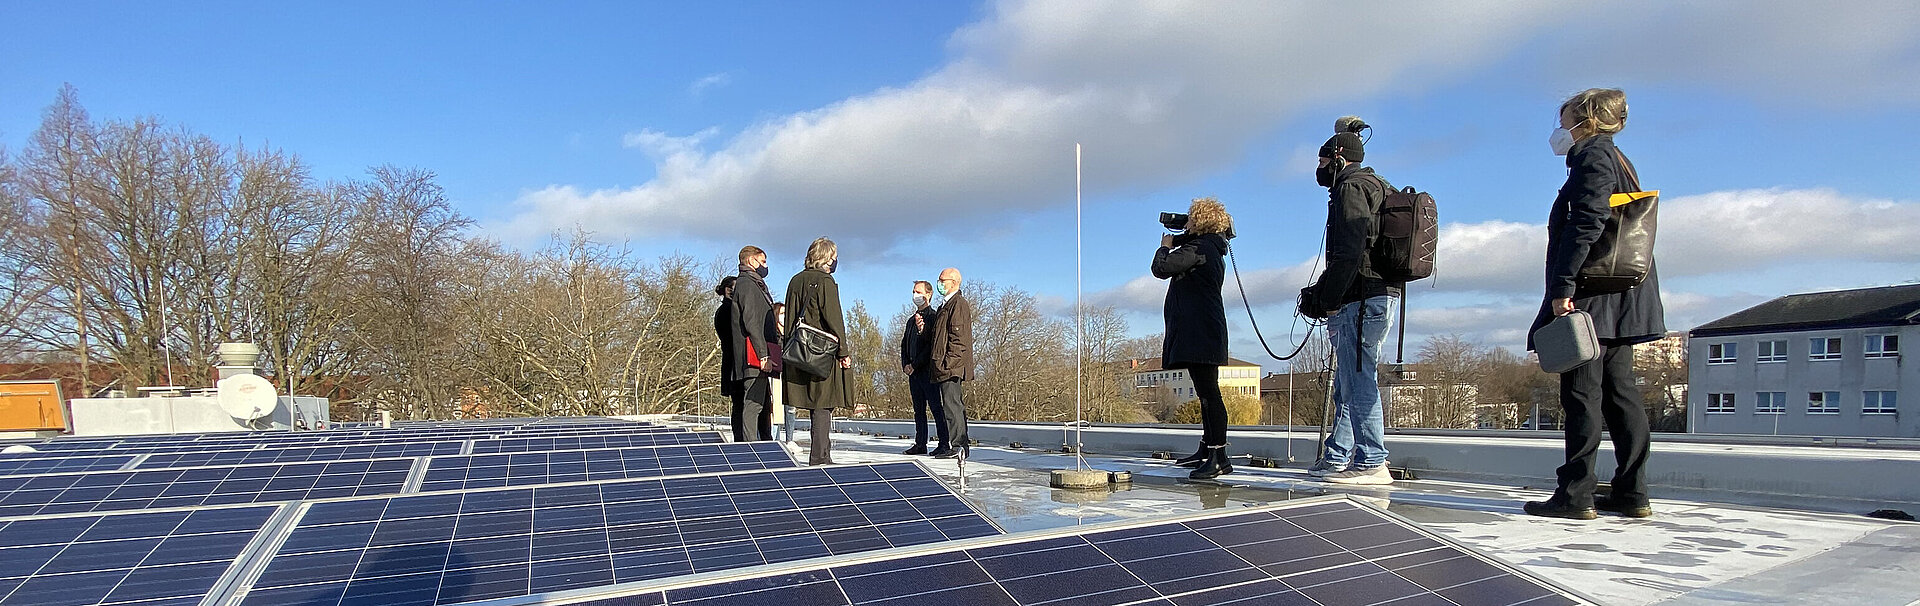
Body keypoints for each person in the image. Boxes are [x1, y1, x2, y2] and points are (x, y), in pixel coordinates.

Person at [1525, 88, 1664, 520]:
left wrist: (1563, 287)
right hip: (1624, 296)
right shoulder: (1619, 159)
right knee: (1621, 393)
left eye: (1565, 121)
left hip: (1593, 295)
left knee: (1582, 393)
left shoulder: (1594, 158)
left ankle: (1576, 494)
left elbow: (1587, 221)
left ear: (1586, 122)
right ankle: (1632, 492)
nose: (1560, 130)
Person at [1299, 115, 1401, 486]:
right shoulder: (1380, 185)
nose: (1320, 170)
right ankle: (1339, 455)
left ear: (1338, 159)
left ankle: (1372, 460)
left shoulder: (1351, 189)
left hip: (1361, 298)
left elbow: (1349, 252)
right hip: (1379, 294)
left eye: (1323, 163)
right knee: (1348, 379)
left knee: (1358, 379)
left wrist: (1327, 298)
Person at [1153, 197, 1234, 480]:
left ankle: (1218, 455)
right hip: (1203, 329)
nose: (1185, 222)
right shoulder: (1209, 247)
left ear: (1199, 221)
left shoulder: (1199, 248)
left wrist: (1164, 246)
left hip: (1201, 331)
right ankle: (1207, 449)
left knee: (1210, 395)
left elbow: (1161, 268)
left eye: (1190, 218)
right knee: (1205, 393)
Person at [783, 237, 853, 465]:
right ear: (826, 258)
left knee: (813, 402)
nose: (835, 262)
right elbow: (834, 318)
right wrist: (843, 351)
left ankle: (821, 454)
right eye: (833, 257)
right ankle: (820, 456)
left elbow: (792, 316)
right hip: (822, 351)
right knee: (823, 403)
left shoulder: (795, 281)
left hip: (798, 349)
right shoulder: (826, 282)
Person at [729, 246, 777, 442]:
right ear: (751, 261)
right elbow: (751, 321)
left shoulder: (753, 284)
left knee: (763, 404)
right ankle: (751, 448)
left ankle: (762, 444)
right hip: (753, 358)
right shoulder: (747, 285)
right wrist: (763, 354)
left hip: (757, 355)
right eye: (762, 261)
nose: (765, 266)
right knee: (753, 403)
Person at [927, 267, 973, 460]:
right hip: (942, 367)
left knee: (953, 406)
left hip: (950, 367)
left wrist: (947, 363)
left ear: (954, 282)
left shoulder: (958, 304)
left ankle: (959, 445)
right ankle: (950, 444)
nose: (939, 283)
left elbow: (958, 339)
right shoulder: (945, 306)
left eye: (942, 280)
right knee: (948, 407)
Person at [900, 280, 947, 455]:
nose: (915, 295)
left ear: (928, 294)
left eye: (918, 292)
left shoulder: (933, 317)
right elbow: (904, 344)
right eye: (913, 291)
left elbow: (931, 346)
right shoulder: (911, 321)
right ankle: (920, 443)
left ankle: (944, 442)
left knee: (936, 407)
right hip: (913, 373)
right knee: (918, 410)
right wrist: (905, 364)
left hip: (927, 371)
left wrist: (916, 364)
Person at [712, 276, 739, 429]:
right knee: (739, 406)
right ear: (728, 290)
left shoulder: (727, 309)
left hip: (732, 363)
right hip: (733, 364)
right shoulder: (726, 311)